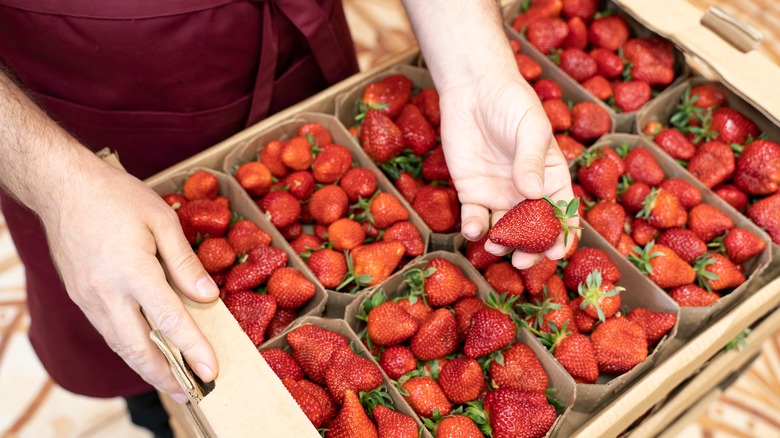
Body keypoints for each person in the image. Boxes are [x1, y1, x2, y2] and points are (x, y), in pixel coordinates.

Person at [0, 0, 575, 435]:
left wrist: (474, 69)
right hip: (70, 104)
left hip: (293, 47)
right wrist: (59, 186)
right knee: (135, 334)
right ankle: (154, 411)